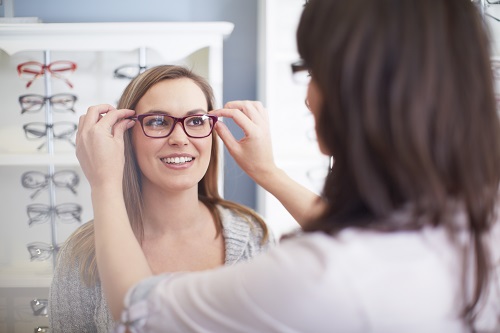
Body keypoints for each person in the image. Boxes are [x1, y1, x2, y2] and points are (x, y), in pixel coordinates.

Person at [75, 0, 500, 331]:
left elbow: (136, 311)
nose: (306, 96)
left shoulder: (300, 266)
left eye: (311, 72)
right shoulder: (479, 224)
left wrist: (104, 185)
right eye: (156, 121)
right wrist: (269, 172)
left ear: (355, 92)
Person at [48, 65, 275, 332]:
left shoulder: (253, 236)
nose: (179, 139)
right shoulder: (84, 253)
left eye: (195, 121)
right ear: (126, 136)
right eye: (157, 121)